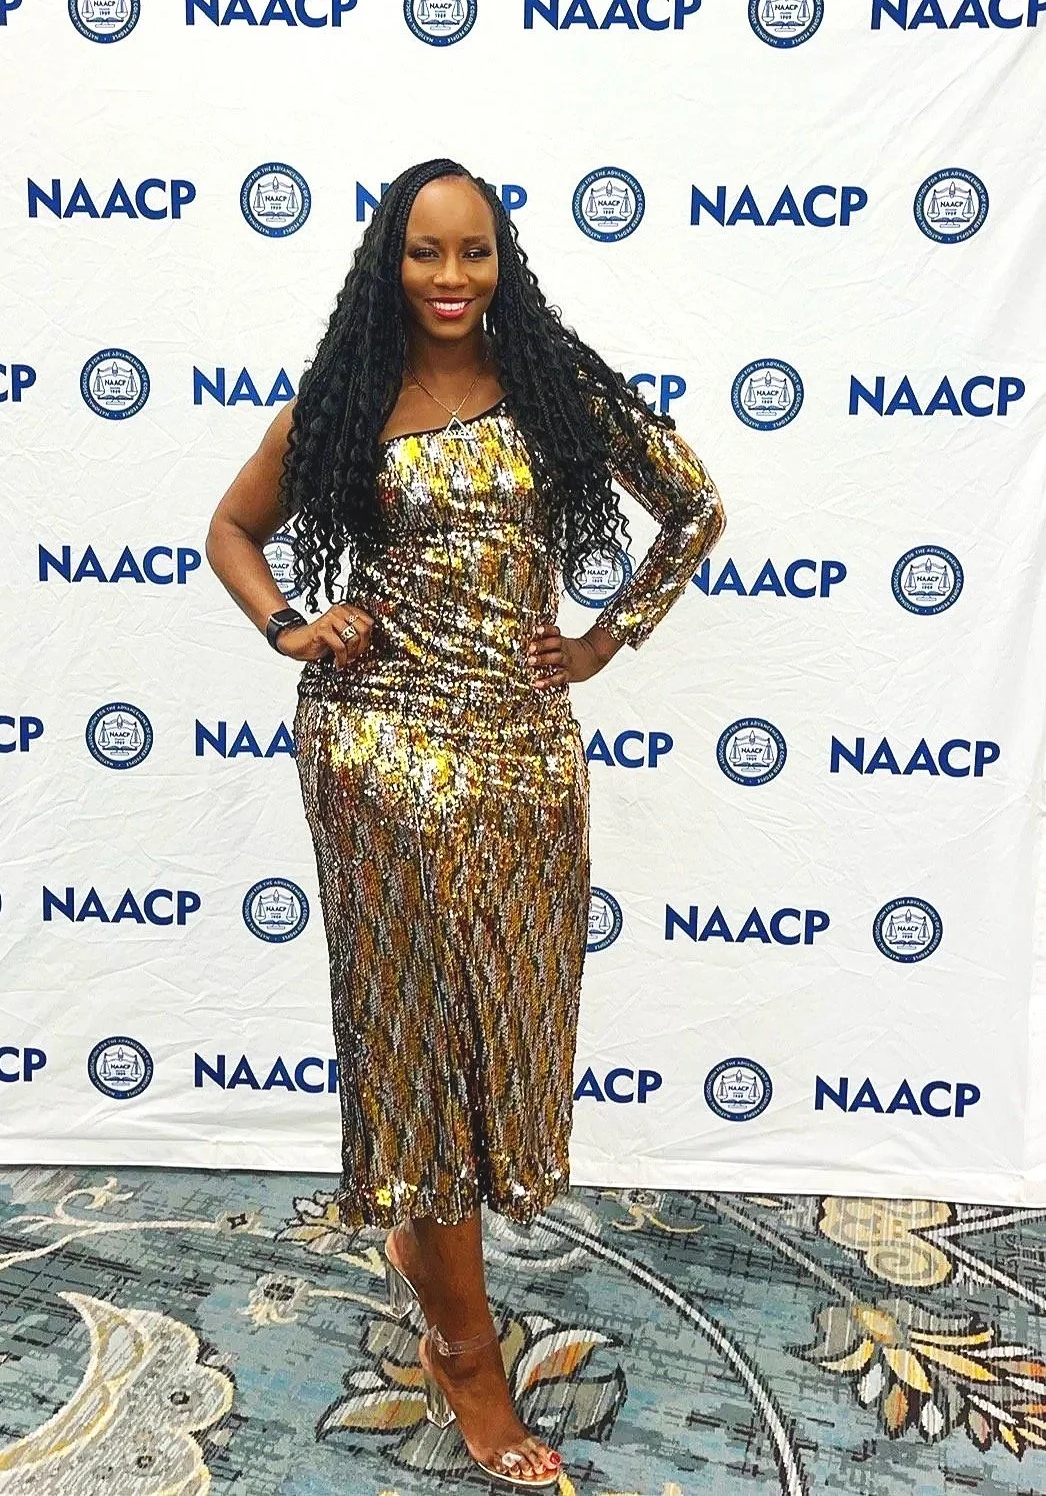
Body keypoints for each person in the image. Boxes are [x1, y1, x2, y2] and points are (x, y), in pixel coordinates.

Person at [206, 157, 724, 1488]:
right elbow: (231, 526)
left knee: (506, 1026)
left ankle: (426, 1241)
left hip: (520, 757)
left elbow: (695, 506)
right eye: (424, 253)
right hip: (376, 751)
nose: (449, 278)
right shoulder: (344, 393)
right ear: (390, 263)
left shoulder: (557, 387)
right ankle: (463, 1346)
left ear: (503, 260)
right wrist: (289, 624)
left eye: (472, 253)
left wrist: (606, 641)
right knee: (416, 1041)